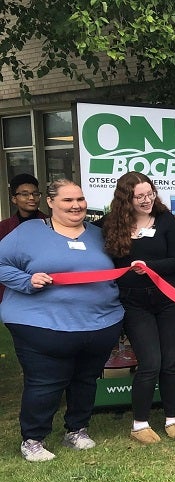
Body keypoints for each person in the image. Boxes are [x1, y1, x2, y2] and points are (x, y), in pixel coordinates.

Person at [0, 179, 124, 461]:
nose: (76, 205)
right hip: (41, 326)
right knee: (45, 382)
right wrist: (25, 280)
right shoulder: (28, 232)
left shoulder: (98, 234)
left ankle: (77, 430)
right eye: (68, 200)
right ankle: (33, 438)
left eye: (80, 199)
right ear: (51, 203)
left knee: (85, 380)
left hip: (99, 324)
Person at [100, 172, 175, 444]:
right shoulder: (109, 225)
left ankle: (172, 418)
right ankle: (140, 423)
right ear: (126, 199)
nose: (147, 200)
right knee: (150, 362)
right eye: (139, 196)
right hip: (134, 302)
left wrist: (149, 268)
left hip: (169, 299)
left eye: (149, 193)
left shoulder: (165, 221)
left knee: (171, 362)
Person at [0, 173, 47, 300]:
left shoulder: (51, 224)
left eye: (35, 194)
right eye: (25, 194)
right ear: (14, 199)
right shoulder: (3, 227)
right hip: (10, 289)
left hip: (45, 286)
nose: (31, 198)